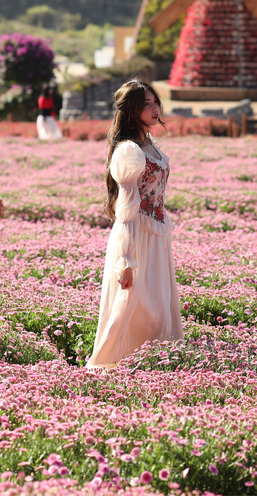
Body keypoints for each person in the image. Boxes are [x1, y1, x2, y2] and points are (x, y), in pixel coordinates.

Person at [86, 79, 182, 369]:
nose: (155, 109)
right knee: (139, 307)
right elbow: (126, 210)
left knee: (160, 303)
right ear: (132, 110)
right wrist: (125, 259)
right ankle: (116, 363)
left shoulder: (149, 142)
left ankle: (155, 363)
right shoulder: (129, 150)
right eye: (146, 104)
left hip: (156, 232)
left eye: (156, 102)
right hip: (136, 234)